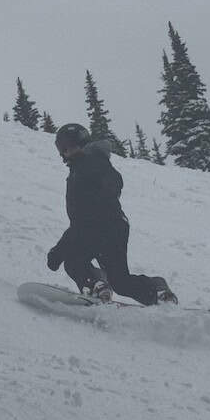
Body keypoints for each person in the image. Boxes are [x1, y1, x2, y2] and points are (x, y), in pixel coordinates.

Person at [46, 123, 177, 305]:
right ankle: (157, 292)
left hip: (106, 227)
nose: (65, 151)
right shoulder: (79, 169)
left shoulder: (89, 161)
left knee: (73, 260)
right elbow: (80, 221)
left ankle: (98, 287)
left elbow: (112, 179)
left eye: (68, 145)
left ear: (80, 143)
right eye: (61, 147)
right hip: (107, 227)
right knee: (120, 282)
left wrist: (58, 252)